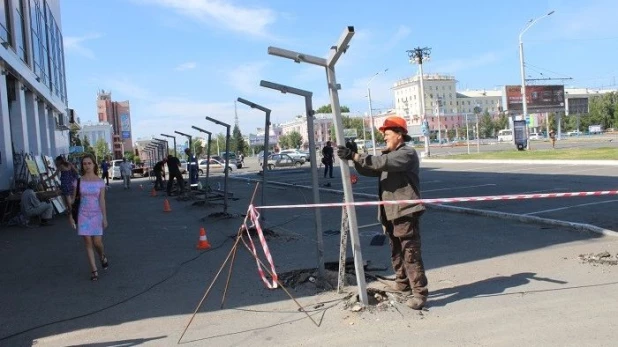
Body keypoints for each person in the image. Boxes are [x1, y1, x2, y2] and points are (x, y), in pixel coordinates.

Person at [337, 116, 428, 310]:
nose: (384, 137)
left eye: (387, 134)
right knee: (396, 251)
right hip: (390, 212)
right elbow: (370, 170)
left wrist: (355, 156)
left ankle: (419, 293)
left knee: (410, 253)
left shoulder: (406, 154)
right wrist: (355, 156)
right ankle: (403, 285)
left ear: (400, 134)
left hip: (405, 211)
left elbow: (380, 162)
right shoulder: (389, 156)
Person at [69, 154, 108, 281]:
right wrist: (70, 215)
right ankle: (94, 270)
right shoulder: (78, 181)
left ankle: (102, 256)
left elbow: (102, 200)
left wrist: (104, 217)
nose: (87, 166)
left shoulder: (100, 182)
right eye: (84, 164)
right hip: (83, 214)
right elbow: (74, 201)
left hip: (96, 214)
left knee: (97, 242)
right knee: (87, 241)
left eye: (89, 163)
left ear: (94, 164)